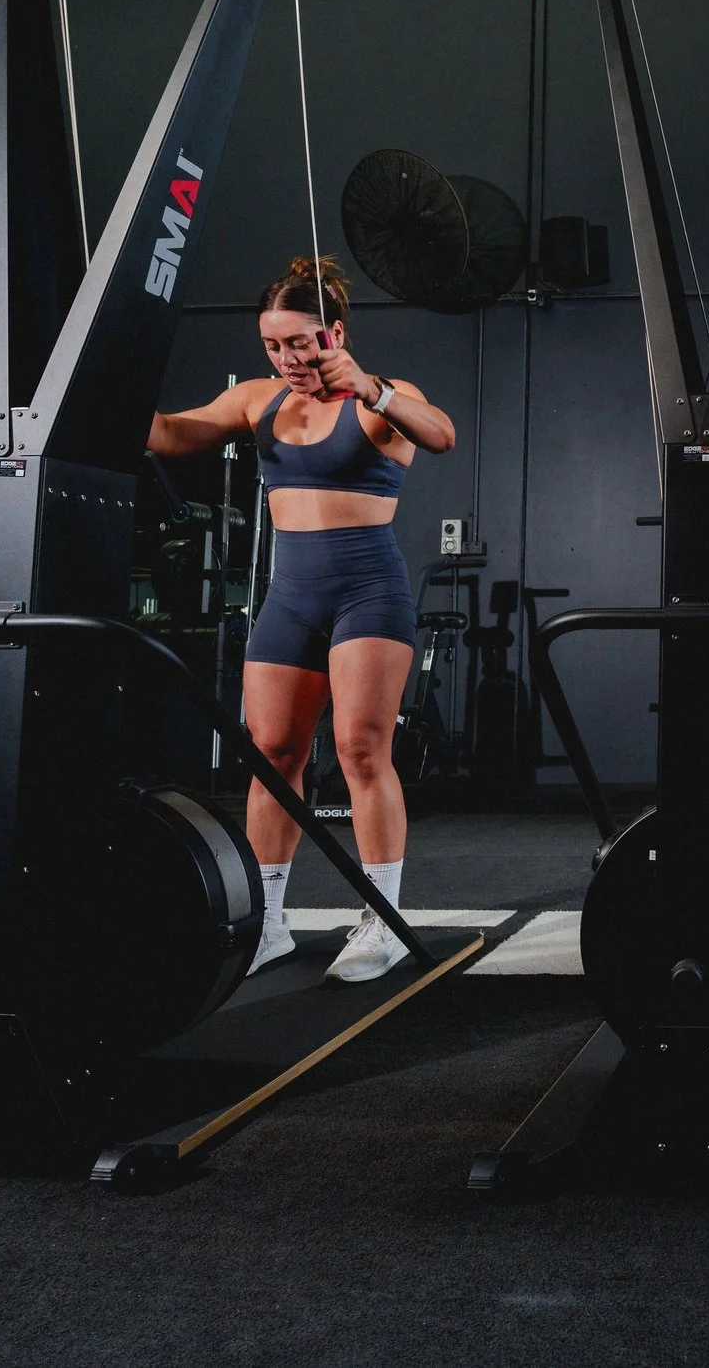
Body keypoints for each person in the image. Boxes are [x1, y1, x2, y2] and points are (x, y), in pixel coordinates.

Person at [148, 257, 457, 983]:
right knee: (273, 754)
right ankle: (271, 923)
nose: (288, 357)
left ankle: (381, 920)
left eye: (301, 342)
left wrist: (372, 388)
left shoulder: (381, 397)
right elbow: (166, 433)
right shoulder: (258, 400)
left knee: (358, 749)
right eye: (274, 345)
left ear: (335, 333)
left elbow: (440, 433)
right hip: (291, 595)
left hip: (367, 593)